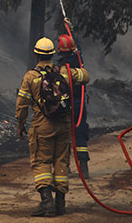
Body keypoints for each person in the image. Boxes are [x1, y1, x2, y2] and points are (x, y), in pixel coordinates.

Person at [16, 37, 90, 217]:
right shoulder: (65, 72)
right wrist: (77, 60)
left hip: (43, 126)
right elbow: (85, 76)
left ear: (36, 55)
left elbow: (21, 105)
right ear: (52, 54)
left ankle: (46, 202)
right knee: (61, 161)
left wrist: (20, 125)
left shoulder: (31, 77)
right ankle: (60, 204)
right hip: (64, 125)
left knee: (42, 162)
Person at [56, 33, 90, 177]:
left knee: (63, 135)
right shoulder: (79, 62)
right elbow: (79, 50)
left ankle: (65, 168)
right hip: (80, 103)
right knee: (80, 134)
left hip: (67, 104)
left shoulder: (62, 68)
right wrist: (72, 30)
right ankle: (84, 168)